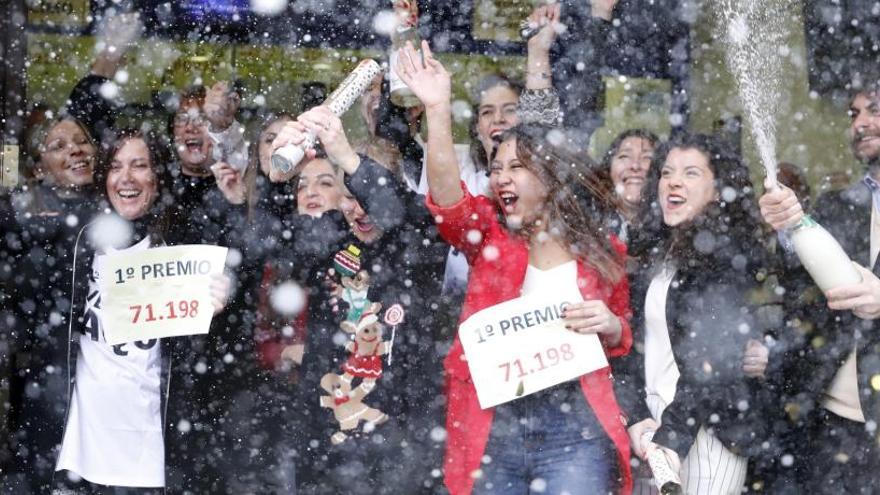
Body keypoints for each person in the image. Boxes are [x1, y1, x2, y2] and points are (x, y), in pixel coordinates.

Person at [397, 40, 634, 494]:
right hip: (495, 422)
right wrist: (438, 108)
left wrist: (612, 327)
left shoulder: (605, 253)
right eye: (496, 169)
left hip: (575, 427)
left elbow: (623, 335)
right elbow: (447, 200)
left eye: (515, 168)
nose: (500, 178)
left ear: (548, 176)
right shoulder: (490, 233)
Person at [32, 128, 228, 493]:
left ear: (158, 175)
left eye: (140, 166)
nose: (126, 178)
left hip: (151, 443)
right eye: (116, 167)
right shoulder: (77, 239)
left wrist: (219, 302)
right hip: (83, 445)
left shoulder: (186, 243)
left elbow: (208, 356)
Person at [269, 105, 448, 494]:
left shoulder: (419, 238)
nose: (359, 208)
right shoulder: (330, 240)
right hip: (328, 441)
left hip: (403, 442)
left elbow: (398, 212)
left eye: (368, 191)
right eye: (349, 196)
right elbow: (263, 237)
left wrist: (347, 156)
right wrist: (276, 177)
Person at [614, 134, 773, 494]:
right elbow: (629, 347)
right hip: (654, 428)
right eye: (667, 172)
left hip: (705, 432)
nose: (673, 181)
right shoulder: (657, 256)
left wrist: (671, 439)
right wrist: (638, 416)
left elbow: (710, 365)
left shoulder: (726, 260)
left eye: (690, 174)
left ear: (718, 191)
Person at [757, 78, 880, 493]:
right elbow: (801, 287)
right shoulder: (836, 206)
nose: (861, 123)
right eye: (854, 114)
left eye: (874, 110)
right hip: (836, 423)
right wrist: (790, 224)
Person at [598, 129, 659, 242]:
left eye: (647, 157)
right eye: (625, 156)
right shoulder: (589, 225)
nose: (635, 165)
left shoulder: (672, 229)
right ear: (609, 169)